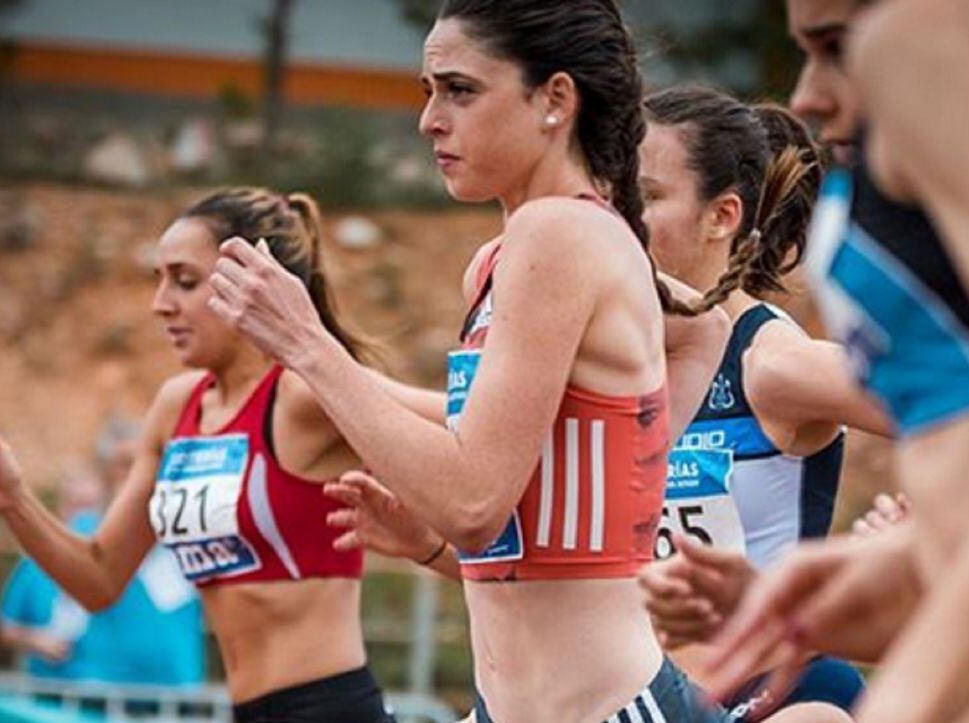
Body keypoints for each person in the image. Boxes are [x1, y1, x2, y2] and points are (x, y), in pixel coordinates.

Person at [203, 2, 846, 721]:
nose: (430, 120)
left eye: (460, 90)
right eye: (428, 91)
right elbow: (697, 335)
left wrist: (307, 344)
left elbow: (473, 503)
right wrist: (626, 474)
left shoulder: (559, 235)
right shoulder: (516, 254)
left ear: (555, 100)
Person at [0, 188, 400, 722]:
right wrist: (14, 502)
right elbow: (99, 578)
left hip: (330, 708)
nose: (161, 302)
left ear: (249, 281)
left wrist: (439, 543)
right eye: (159, 280)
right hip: (244, 709)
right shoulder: (176, 406)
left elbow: (456, 423)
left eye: (185, 281)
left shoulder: (302, 394)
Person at [694, 2, 969, 722]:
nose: (805, 95)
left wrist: (906, 699)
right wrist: (883, 569)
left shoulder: (920, 40)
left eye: (833, 46)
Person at [637, 84, 897, 718]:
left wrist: (933, 523)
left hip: (779, 697)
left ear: (721, 217)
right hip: (650, 694)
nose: (618, 218)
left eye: (644, 197)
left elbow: (958, 399)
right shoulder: (627, 359)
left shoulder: (771, 365)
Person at [0, 424, 204, 687]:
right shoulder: (76, 536)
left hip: (175, 700)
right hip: (91, 701)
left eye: (148, 463)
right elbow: (12, 624)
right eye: (125, 465)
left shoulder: (185, 535)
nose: (137, 475)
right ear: (105, 475)